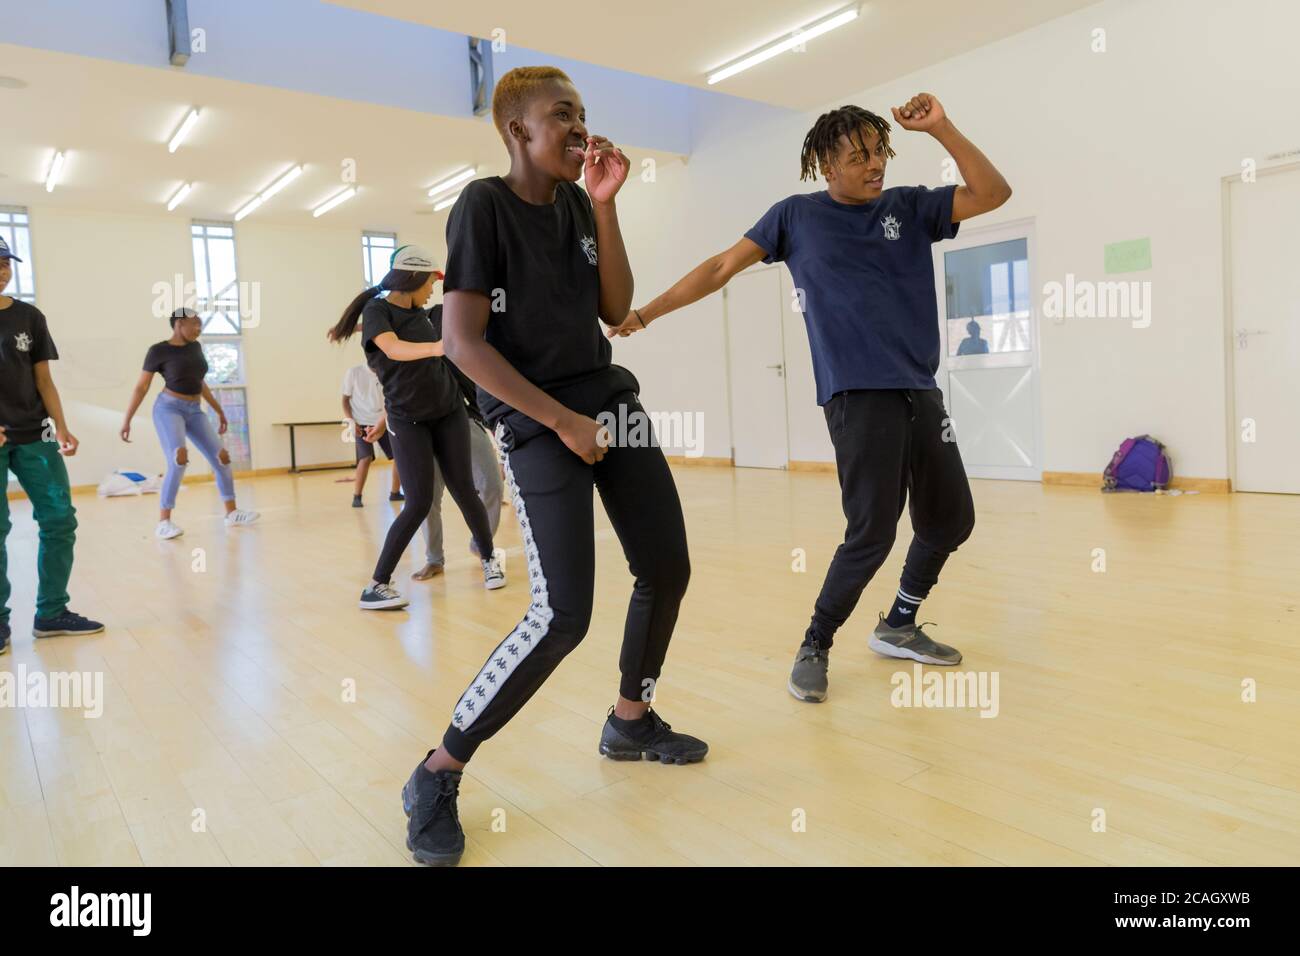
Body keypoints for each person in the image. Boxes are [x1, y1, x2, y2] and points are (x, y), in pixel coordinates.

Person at [606, 93, 1012, 703]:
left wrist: (942, 128)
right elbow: (720, 267)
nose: (875, 165)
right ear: (825, 164)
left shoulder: (910, 206)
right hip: (856, 395)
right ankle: (816, 642)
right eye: (858, 157)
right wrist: (646, 312)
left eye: (880, 153)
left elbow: (993, 193)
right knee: (871, 531)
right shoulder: (795, 217)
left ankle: (899, 622)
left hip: (919, 388)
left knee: (952, 519)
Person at [400, 66, 706, 868]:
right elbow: (465, 345)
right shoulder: (483, 205)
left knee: (666, 567)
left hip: (607, 399)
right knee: (560, 614)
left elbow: (614, 306)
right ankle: (438, 771)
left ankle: (630, 720)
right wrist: (561, 421)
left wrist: (605, 203)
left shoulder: (576, 201)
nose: (579, 126)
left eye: (582, 114)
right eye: (560, 114)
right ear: (517, 131)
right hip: (535, 418)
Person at [327, 245, 505, 609]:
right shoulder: (378, 311)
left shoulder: (426, 315)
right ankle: (377, 584)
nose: (432, 290)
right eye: (429, 282)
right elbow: (392, 350)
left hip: (449, 412)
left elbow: (437, 367)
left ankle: (489, 560)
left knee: (465, 490)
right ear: (413, 278)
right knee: (419, 501)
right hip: (407, 421)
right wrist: (442, 347)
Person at [0, 235, 104, 655]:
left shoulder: (29, 317)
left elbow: (43, 378)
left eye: (7, 262)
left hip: (35, 433)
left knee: (60, 519)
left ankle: (51, 613)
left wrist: (61, 426)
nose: (3, 269)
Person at [121, 308, 260, 538]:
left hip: (195, 410)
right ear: (179, 324)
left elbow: (200, 382)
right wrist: (127, 420)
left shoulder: (195, 347)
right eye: (194, 324)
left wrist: (218, 410)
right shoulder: (158, 351)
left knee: (221, 458)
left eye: (200, 324)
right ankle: (164, 522)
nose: (198, 328)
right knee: (178, 458)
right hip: (168, 408)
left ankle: (232, 513)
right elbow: (141, 387)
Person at [411, 301, 504, 581]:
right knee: (427, 498)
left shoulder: (485, 326)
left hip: (466, 417)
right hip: (423, 421)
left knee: (491, 485)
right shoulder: (428, 316)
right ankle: (434, 558)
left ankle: (481, 544)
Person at [341, 362, 403, 507]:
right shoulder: (354, 372)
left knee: (399, 456)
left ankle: (395, 493)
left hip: (383, 422)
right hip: (360, 422)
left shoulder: (389, 372)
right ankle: (357, 496)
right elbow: (344, 400)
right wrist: (351, 421)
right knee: (366, 458)